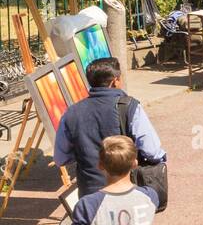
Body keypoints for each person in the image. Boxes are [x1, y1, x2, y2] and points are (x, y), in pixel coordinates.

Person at [54, 57, 166, 198]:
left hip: (90, 192)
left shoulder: (71, 112)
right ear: (115, 81)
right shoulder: (129, 107)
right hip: (126, 188)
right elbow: (152, 150)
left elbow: (60, 158)